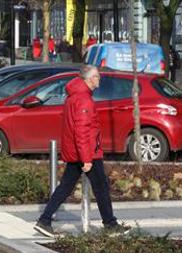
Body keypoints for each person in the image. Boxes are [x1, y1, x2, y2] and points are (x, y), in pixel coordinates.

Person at [34, 65, 131, 238]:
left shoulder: (76, 96)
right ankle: (110, 225)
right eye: (97, 76)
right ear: (89, 79)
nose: (99, 79)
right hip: (87, 152)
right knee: (101, 186)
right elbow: (82, 131)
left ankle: (45, 220)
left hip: (78, 151)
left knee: (66, 186)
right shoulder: (84, 100)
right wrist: (87, 159)